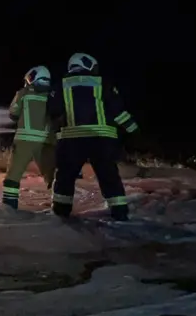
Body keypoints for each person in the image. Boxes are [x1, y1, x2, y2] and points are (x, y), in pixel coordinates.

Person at [46, 52, 139, 220]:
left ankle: (60, 213)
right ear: (88, 65)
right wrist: (133, 130)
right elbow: (118, 112)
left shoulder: (59, 86)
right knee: (109, 176)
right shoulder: (103, 83)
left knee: (65, 177)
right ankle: (120, 213)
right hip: (101, 141)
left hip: (71, 141)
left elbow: (52, 112)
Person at [2, 65, 57, 209]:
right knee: (52, 176)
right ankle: (58, 206)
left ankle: (9, 209)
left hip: (24, 141)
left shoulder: (23, 93)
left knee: (13, 178)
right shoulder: (53, 96)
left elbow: (13, 113)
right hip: (46, 142)